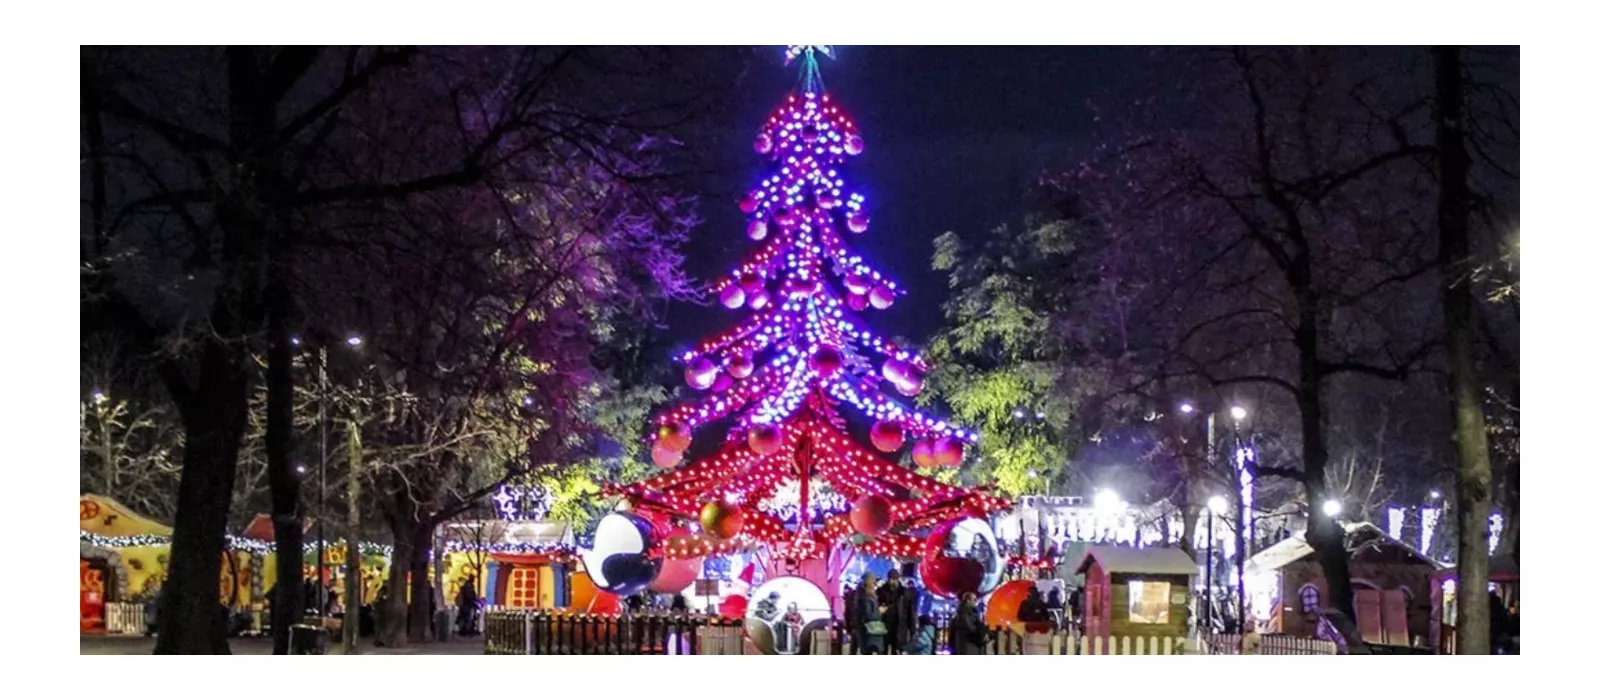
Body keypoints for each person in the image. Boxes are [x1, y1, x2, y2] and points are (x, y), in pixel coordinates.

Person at [877, 569, 910, 653]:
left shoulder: (903, 592)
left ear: (897, 579)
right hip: (884, 624)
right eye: (889, 579)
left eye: (893, 579)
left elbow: (909, 611)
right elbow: (878, 605)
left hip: (898, 625)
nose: (891, 581)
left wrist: (911, 628)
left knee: (895, 650)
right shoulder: (882, 590)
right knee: (883, 649)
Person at [854, 573, 886, 654]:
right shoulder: (866, 598)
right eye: (874, 582)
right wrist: (879, 611)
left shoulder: (863, 595)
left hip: (868, 632)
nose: (875, 585)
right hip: (869, 633)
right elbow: (868, 615)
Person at [841, 585, 860, 655]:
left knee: (853, 648)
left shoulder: (850, 598)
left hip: (853, 625)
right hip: (861, 626)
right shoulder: (864, 598)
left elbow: (847, 614)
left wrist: (848, 627)